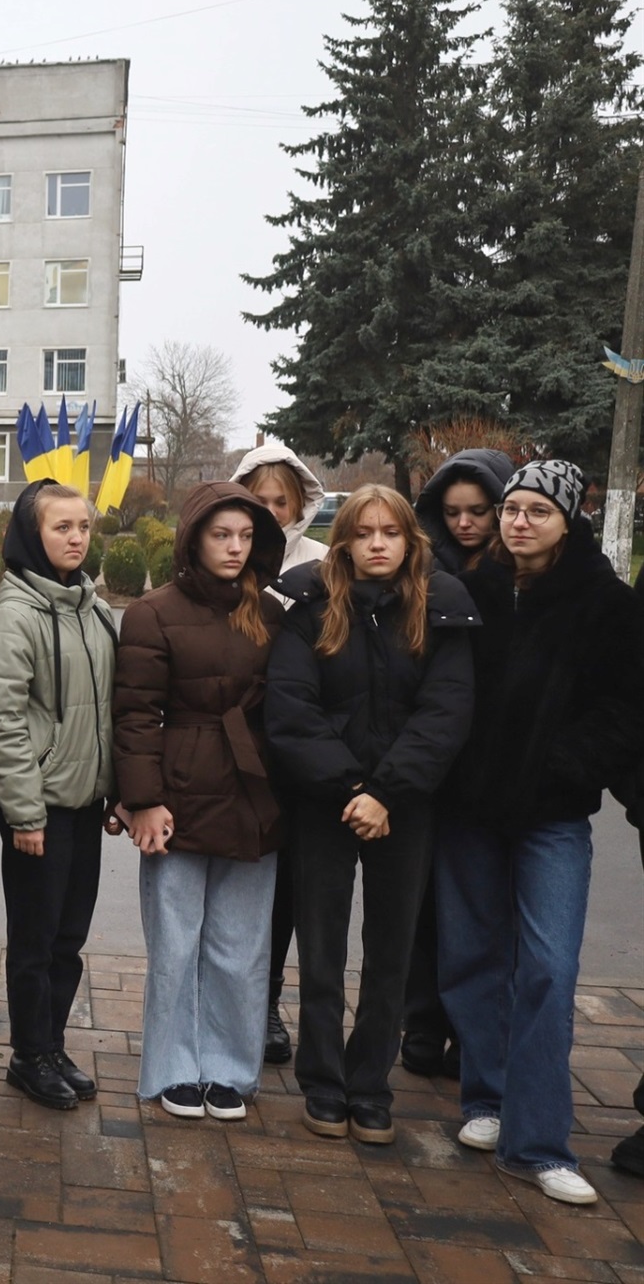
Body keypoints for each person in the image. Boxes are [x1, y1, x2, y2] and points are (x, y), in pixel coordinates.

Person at [438, 461, 644, 1205]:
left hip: (552, 816)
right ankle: (488, 1100)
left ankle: (540, 1144)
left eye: (537, 511)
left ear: (568, 519)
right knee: (473, 957)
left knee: (550, 968)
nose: (519, 522)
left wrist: (559, 767)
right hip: (469, 811)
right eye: (512, 509)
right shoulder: (475, 590)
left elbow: (626, 708)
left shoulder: (606, 602)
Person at [264, 484, 476, 1145]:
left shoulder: (441, 606)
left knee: (391, 949)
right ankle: (323, 1083)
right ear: (344, 541)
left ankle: (371, 1085)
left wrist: (386, 793)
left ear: (410, 540)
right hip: (325, 801)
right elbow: (291, 709)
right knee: (321, 947)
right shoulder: (309, 603)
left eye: (390, 532)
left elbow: (445, 713)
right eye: (363, 533)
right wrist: (351, 788)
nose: (377, 544)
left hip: (403, 806)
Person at [116, 482, 286, 1124]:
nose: (234, 547)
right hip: (179, 793)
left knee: (241, 944)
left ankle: (230, 1070)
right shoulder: (151, 612)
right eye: (221, 535)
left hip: (253, 791)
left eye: (245, 536)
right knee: (176, 942)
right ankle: (173, 1069)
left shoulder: (269, 612)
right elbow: (135, 714)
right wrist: (144, 800)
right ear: (194, 539)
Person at [0, 479, 116, 1112]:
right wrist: (23, 814)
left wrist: (115, 789)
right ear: (33, 535)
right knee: (35, 941)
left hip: (85, 804)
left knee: (68, 939)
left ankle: (52, 1046)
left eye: (83, 526)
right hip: (39, 810)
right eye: (62, 527)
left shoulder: (93, 608)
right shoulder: (16, 614)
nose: (76, 538)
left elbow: (109, 711)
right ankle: (28, 1055)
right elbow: (3, 720)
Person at [400, 448, 514, 1081]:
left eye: (478, 511)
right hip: (430, 758)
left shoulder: (518, 575)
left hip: (492, 762)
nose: (466, 523)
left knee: (482, 909)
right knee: (423, 904)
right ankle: (423, 1022)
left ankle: (474, 1035)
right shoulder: (423, 573)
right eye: (452, 512)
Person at [228, 441, 328, 1067]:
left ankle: (265, 1001)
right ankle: (225, 999)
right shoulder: (226, 556)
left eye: (280, 502)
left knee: (286, 888)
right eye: (258, 500)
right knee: (235, 883)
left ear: (299, 506)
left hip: (298, 747)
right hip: (236, 746)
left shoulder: (322, 563)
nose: (270, 511)